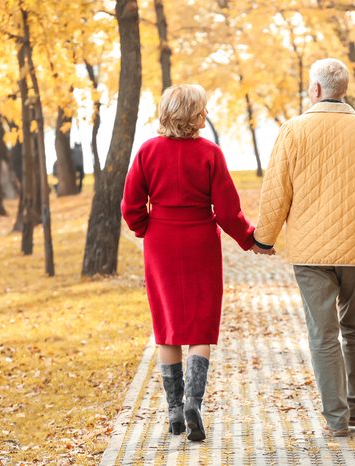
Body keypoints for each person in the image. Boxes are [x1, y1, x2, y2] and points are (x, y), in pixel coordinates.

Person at [254, 58, 355, 437]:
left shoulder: (292, 131)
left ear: (317, 89)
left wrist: (264, 238)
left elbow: (277, 191)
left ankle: (336, 419)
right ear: (344, 90)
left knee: (323, 335)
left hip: (311, 254)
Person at [121, 84, 272, 441]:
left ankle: (174, 412)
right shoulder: (210, 153)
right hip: (200, 240)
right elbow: (228, 210)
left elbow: (130, 206)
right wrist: (250, 240)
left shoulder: (147, 151)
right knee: (200, 327)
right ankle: (193, 402)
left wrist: (148, 229)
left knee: (167, 325)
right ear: (197, 114)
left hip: (161, 240)